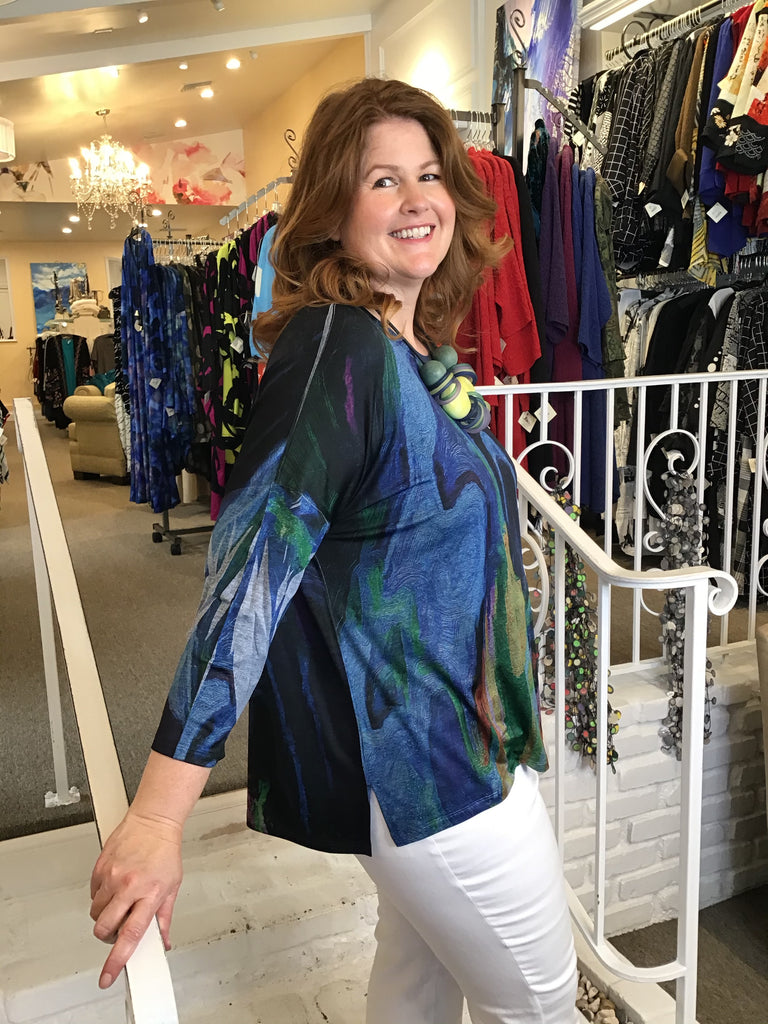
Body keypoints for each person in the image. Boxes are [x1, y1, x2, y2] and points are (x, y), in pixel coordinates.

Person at [90, 76, 579, 1024]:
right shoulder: (338, 354)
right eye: (381, 180)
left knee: (415, 982)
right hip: (429, 768)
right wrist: (157, 815)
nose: (416, 200)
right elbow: (248, 577)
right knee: (542, 1005)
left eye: (429, 175)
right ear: (331, 213)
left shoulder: (405, 348)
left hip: (450, 744)